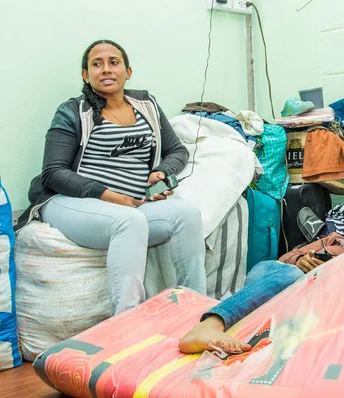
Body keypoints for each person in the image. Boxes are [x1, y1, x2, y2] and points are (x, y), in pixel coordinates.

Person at [20, 40, 206, 315]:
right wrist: (109, 196)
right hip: (68, 202)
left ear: (128, 72)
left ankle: (196, 311)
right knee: (129, 222)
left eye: (114, 62)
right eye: (97, 64)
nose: (106, 69)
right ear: (86, 75)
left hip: (129, 205)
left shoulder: (146, 105)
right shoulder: (72, 111)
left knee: (187, 213)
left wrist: (160, 173)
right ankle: (127, 321)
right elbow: (54, 172)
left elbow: (177, 151)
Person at [179, 203, 344, 354]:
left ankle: (237, 329)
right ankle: (210, 324)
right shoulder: (336, 241)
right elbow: (284, 258)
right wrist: (301, 261)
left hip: (299, 297)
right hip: (277, 274)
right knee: (292, 273)